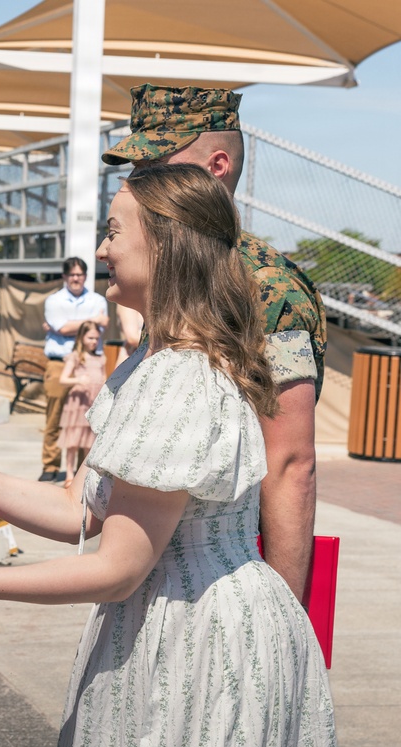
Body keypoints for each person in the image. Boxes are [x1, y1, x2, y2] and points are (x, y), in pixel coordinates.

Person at [0, 164, 337, 747]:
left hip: (193, 635)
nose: (101, 249)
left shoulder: (176, 376)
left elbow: (116, 569)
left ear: (165, 244)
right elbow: (75, 506)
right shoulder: (156, 363)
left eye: (112, 232)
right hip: (189, 619)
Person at [102, 84, 327, 603]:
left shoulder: (268, 288)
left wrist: (284, 614)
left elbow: (290, 462)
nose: (140, 181)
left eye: (157, 164)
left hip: (225, 584)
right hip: (154, 571)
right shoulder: (175, 273)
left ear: (217, 165)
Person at [39, 257, 108, 482]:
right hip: (60, 362)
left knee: (86, 419)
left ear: (85, 276)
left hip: (90, 362)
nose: (76, 278)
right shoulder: (54, 300)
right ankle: (50, 465)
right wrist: (89, 321)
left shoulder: (98, 299)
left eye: (79, 274)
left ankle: (80, 470)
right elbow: (63, 327)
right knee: (55, 416)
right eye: (71, 275)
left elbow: (94, 327)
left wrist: (69, 326)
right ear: (64, 276)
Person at [56, 320, 104, 481]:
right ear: (82, 337)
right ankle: (69, 473)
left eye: (96, 338)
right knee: (73, 440)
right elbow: (62, 379)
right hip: (78, 402)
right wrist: (77, 380)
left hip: (92, 401)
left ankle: (83, 475)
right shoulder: (76, 357)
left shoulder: (100, 358)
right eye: (90, 338)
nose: (94, 342)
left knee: (89, 441)